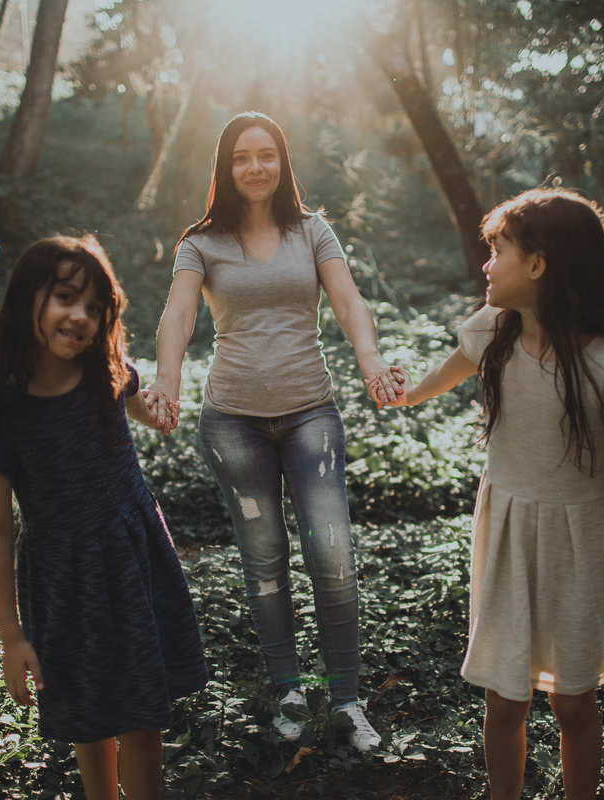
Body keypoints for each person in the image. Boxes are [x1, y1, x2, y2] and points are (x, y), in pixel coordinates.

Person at [383, 188, 604, 799]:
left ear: (539, 264)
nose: (486, 264)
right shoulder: (496, 332)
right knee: (504, 701)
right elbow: (442, 375)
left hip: (579, 551)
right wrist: (403, 393)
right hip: (506, 538)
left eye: (497, 249)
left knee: (574, 706)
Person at [143, 111, 401, 751]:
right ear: (225, 168)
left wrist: (372, 364)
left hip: (311, 412)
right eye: (241, 157)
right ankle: (288, 688)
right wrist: (166, 383)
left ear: (282, 162)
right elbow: (177, 317)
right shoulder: (201, 242)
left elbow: (348, 302)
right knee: (265, 559)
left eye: (266, 154)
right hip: (233, 422)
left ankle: (345, 700)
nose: (255, 166)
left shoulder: (311, 231)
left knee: (333, 557)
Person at [0, 236, 207, 800]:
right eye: (66, 297)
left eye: (95, 307)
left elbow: (142, 407)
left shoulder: (107, 370)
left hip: (132, 557)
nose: (80, 316)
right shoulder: (3, 409)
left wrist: (162, 412)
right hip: (66, 581)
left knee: (144, 716)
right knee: (90, 718)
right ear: (29, 299)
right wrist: (11, 636)